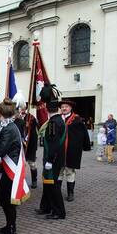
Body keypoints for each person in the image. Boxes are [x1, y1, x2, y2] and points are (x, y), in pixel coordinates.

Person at [0, 99, 29, 234]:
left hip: (11, 169)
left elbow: (1, 150)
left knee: (6, 199)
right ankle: (9, 226)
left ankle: (11, 230)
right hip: (8, 167)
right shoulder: (8, 126)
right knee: (3, 197)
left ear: (0, 114)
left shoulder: (8, 129)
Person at [37, 86, 66, 220]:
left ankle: (59, 211)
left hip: (53, 160)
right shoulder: (59, 120)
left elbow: (53, 145)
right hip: (56, 159)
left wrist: (49, 160)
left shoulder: (53, 123)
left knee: (53, 185)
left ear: (47, 110)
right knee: (48, 184)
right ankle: (46, 207)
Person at [58, 99, 91, 202]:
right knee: (58, 171)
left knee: (70, 171)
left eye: (66, 107)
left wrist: (86, 146)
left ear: (70, 108)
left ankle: (70, 193)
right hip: (59, 151)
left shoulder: (77, 120)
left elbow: (84, 134)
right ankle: (57, 192)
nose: (64, 108)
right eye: (62, 107)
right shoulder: (57, 119)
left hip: (71, 151)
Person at [18, 104, 39, 188]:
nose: (21, 109)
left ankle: (34, 180)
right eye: (20, 107)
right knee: (20, 164)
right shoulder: (16, 117)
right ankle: (20, 181)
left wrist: (29, 125)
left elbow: (36, 127)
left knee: (32, 164)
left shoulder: (31, 117)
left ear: (26, 108)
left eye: (23, 108)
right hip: (20, 145)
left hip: (30, 145)